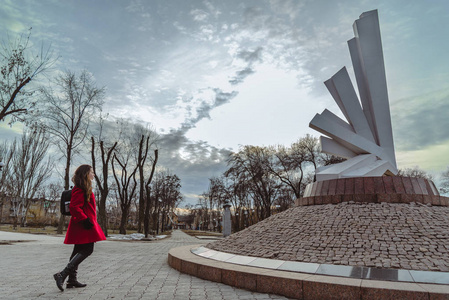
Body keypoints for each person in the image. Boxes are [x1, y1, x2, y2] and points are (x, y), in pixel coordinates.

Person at [53, 165, 106, 291]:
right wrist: (85, 219)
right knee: (88, 249)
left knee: (77, 251)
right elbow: (74, 207)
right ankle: (62, 274)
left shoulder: (85, 187)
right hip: (84, 224)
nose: (93, 174)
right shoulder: (80, 188)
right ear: (86, 174)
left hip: (85, 223)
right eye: (92, 172)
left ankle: (71, 280)